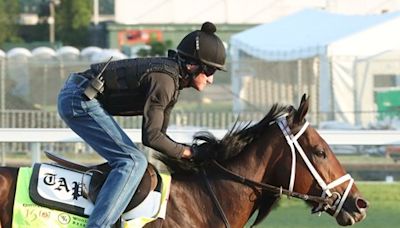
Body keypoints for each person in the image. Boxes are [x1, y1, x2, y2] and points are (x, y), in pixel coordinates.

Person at [57, 21, 226, 227]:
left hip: (82, 95)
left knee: (135, 161)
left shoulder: (173, 82)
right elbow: (151, 137)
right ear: (192, 66)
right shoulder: (165, 82)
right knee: (132, 161)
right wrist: (189, 153)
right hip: (79, 99)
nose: (211, 80)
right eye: (210, 72)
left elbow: (160, 137)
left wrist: (190, 156)